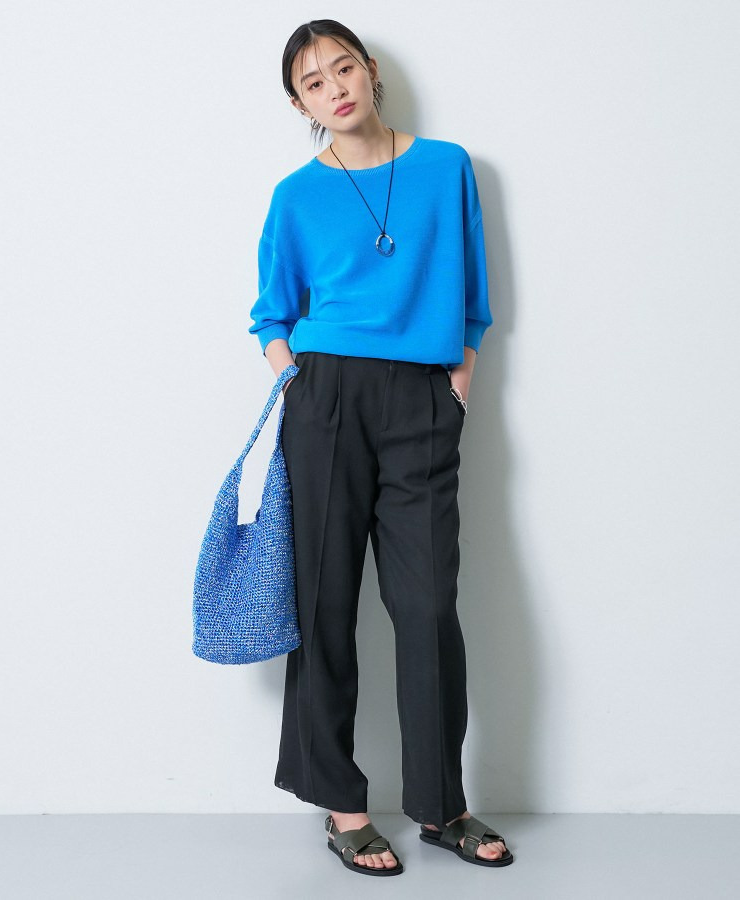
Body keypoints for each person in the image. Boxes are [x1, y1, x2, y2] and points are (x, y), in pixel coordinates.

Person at [248, 19, 513, 876]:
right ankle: (344, 808)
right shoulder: (296, 195)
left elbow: (473, 294)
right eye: (313, 82)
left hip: (421, 400)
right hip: (325, 400)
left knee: (427, 604)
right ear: (300, 104)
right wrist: (296, 385)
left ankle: (441, 806)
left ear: (370, 72)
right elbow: (271, 313)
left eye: (343, 69)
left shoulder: (446, 167)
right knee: (325, 605)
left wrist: (458, 380)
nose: (335, 89)